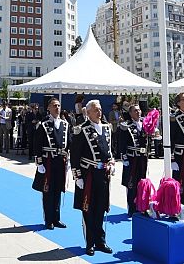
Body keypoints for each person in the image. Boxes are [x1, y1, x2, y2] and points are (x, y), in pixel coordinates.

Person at [71, 99, 114, 256]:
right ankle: (89, 243)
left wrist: (112, 163)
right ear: (87, 113)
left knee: (101, 209)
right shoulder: (81, 130)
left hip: (103, 174)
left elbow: (109, 152)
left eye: (100, 109)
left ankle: (100, 241)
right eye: (95, 110)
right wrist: (78, 176)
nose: (99, 112)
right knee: (88, 209)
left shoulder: (106, 129)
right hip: (88, 175)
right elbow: (74, 155)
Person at [32, 97, 71, 229]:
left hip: (60, 161)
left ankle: (56, 218)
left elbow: (69, 143)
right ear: (48, 108)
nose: (57, 108)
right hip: (48, 161)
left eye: (59, 105)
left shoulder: (65, 125)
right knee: (48, 191)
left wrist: (69, 159)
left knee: (58, 190)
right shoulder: (43, 125)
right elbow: (37, 145)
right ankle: (48, 220)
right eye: (54, 105)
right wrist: (39, 163)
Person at [117, 104, 149, 215]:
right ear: (130, 113)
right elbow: (121, 143)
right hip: (132, 157)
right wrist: (124, 157)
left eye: (139, 110)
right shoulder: (126, 125)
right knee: (131, 183)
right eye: (135, 111)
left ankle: (141, 206)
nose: (138, 112)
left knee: (142, 182)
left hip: (142, 157)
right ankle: (132, 208)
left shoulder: (145, 124)